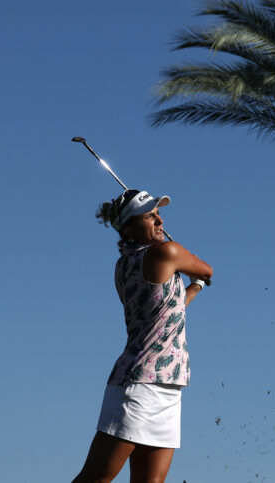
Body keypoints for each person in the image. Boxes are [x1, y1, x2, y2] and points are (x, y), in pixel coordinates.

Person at [72, 188, 214, 483]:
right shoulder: (166, 252)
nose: (159, 220)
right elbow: (208, 269)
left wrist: (195, 287)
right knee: (96, 478)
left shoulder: (124, 264)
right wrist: (192, 264)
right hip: (139, 385)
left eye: (159, 214)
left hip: (168, 385)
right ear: (128, 228)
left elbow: (166, 310)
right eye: (149, 216)